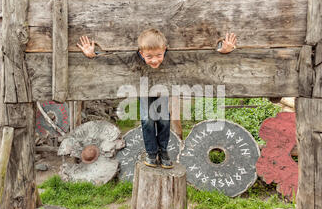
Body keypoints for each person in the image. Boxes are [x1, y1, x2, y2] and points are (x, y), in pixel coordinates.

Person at [77, 30, 237, 169]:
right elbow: (115, 59)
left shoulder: (171, 57)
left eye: (159, 55)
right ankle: (152, 154)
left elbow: (197, 58)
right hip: (142, 86)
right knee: (147, 119)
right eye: (149, 56)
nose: (154, 60)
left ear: (165, 50)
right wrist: (94, 55)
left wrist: (220, 51)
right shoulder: (134, 58)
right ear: (140, 53)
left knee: (164, 120)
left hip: (164, 87)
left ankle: (163, 151)